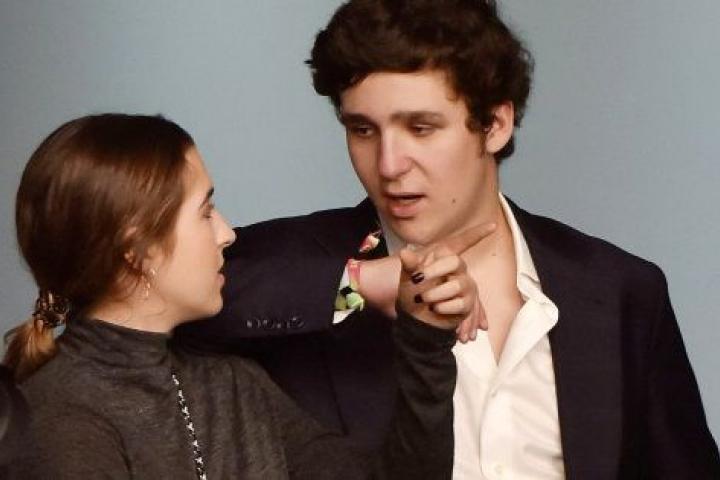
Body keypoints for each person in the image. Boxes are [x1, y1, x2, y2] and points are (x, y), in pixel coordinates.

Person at [177, 0, 720, 478]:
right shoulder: (298, 265)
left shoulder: (618, 290)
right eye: (363, 129)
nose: (389, 165)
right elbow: (153, 311)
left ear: (495, 125)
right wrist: (357, 286)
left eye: (421, 128)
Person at [2, 113, 477, 479]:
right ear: (138, 250)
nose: (227, 234)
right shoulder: (61, 419)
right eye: (205, 212)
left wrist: (424, 339)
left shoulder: (230, 383)